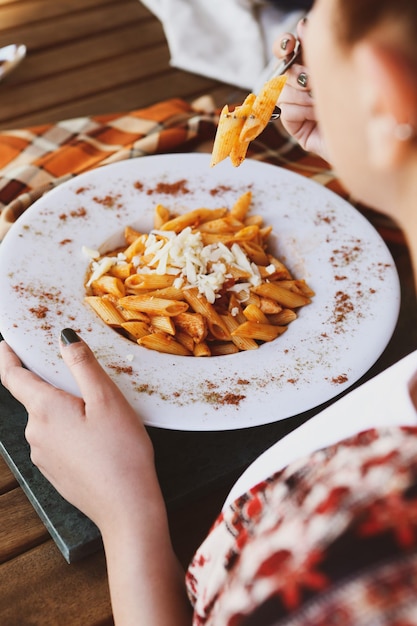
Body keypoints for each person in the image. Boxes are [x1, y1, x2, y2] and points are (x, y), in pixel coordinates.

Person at [1, 0, 417, 623]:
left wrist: (124, 512)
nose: (295, 43)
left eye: (310, 15)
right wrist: (378, 143)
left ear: (386, 78)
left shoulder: (351, 546)